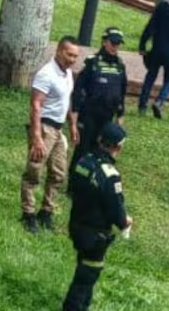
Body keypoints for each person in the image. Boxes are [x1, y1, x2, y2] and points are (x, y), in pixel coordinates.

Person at [62, 122, 132, 311]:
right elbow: (116, 210)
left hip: (77, 224)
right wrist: (125, 221)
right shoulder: (110, 175)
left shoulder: (83, 161)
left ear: (100, 140)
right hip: (95, 235)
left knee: (84, 269)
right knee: (86, 278)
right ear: (117, 147)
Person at [21, 36, 81, 234]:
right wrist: (37, 137)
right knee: (34, 171)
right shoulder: (46, 74)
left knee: (58, 173)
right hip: (44, 127)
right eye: (69, 55)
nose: (73, 59)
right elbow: (35, 105)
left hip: (58, 129)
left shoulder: (67, 73)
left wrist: (72, 124)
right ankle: (28, 214)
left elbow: (67, 100)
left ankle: (46, 212)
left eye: (75, 56)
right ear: (59, 51)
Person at [69, 27, 128, 167]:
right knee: (83, 149)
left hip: (107, 116)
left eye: (118, 44)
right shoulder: (92, 63)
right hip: (89, 115)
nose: (115, 47)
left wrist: (120, 115)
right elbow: (78, 90)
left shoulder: (120, 66)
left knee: (101, 151)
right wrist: (74, 120)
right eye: (113, 43)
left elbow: (121, 93)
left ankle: (93, 177)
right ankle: (75, 177)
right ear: (104, 42)